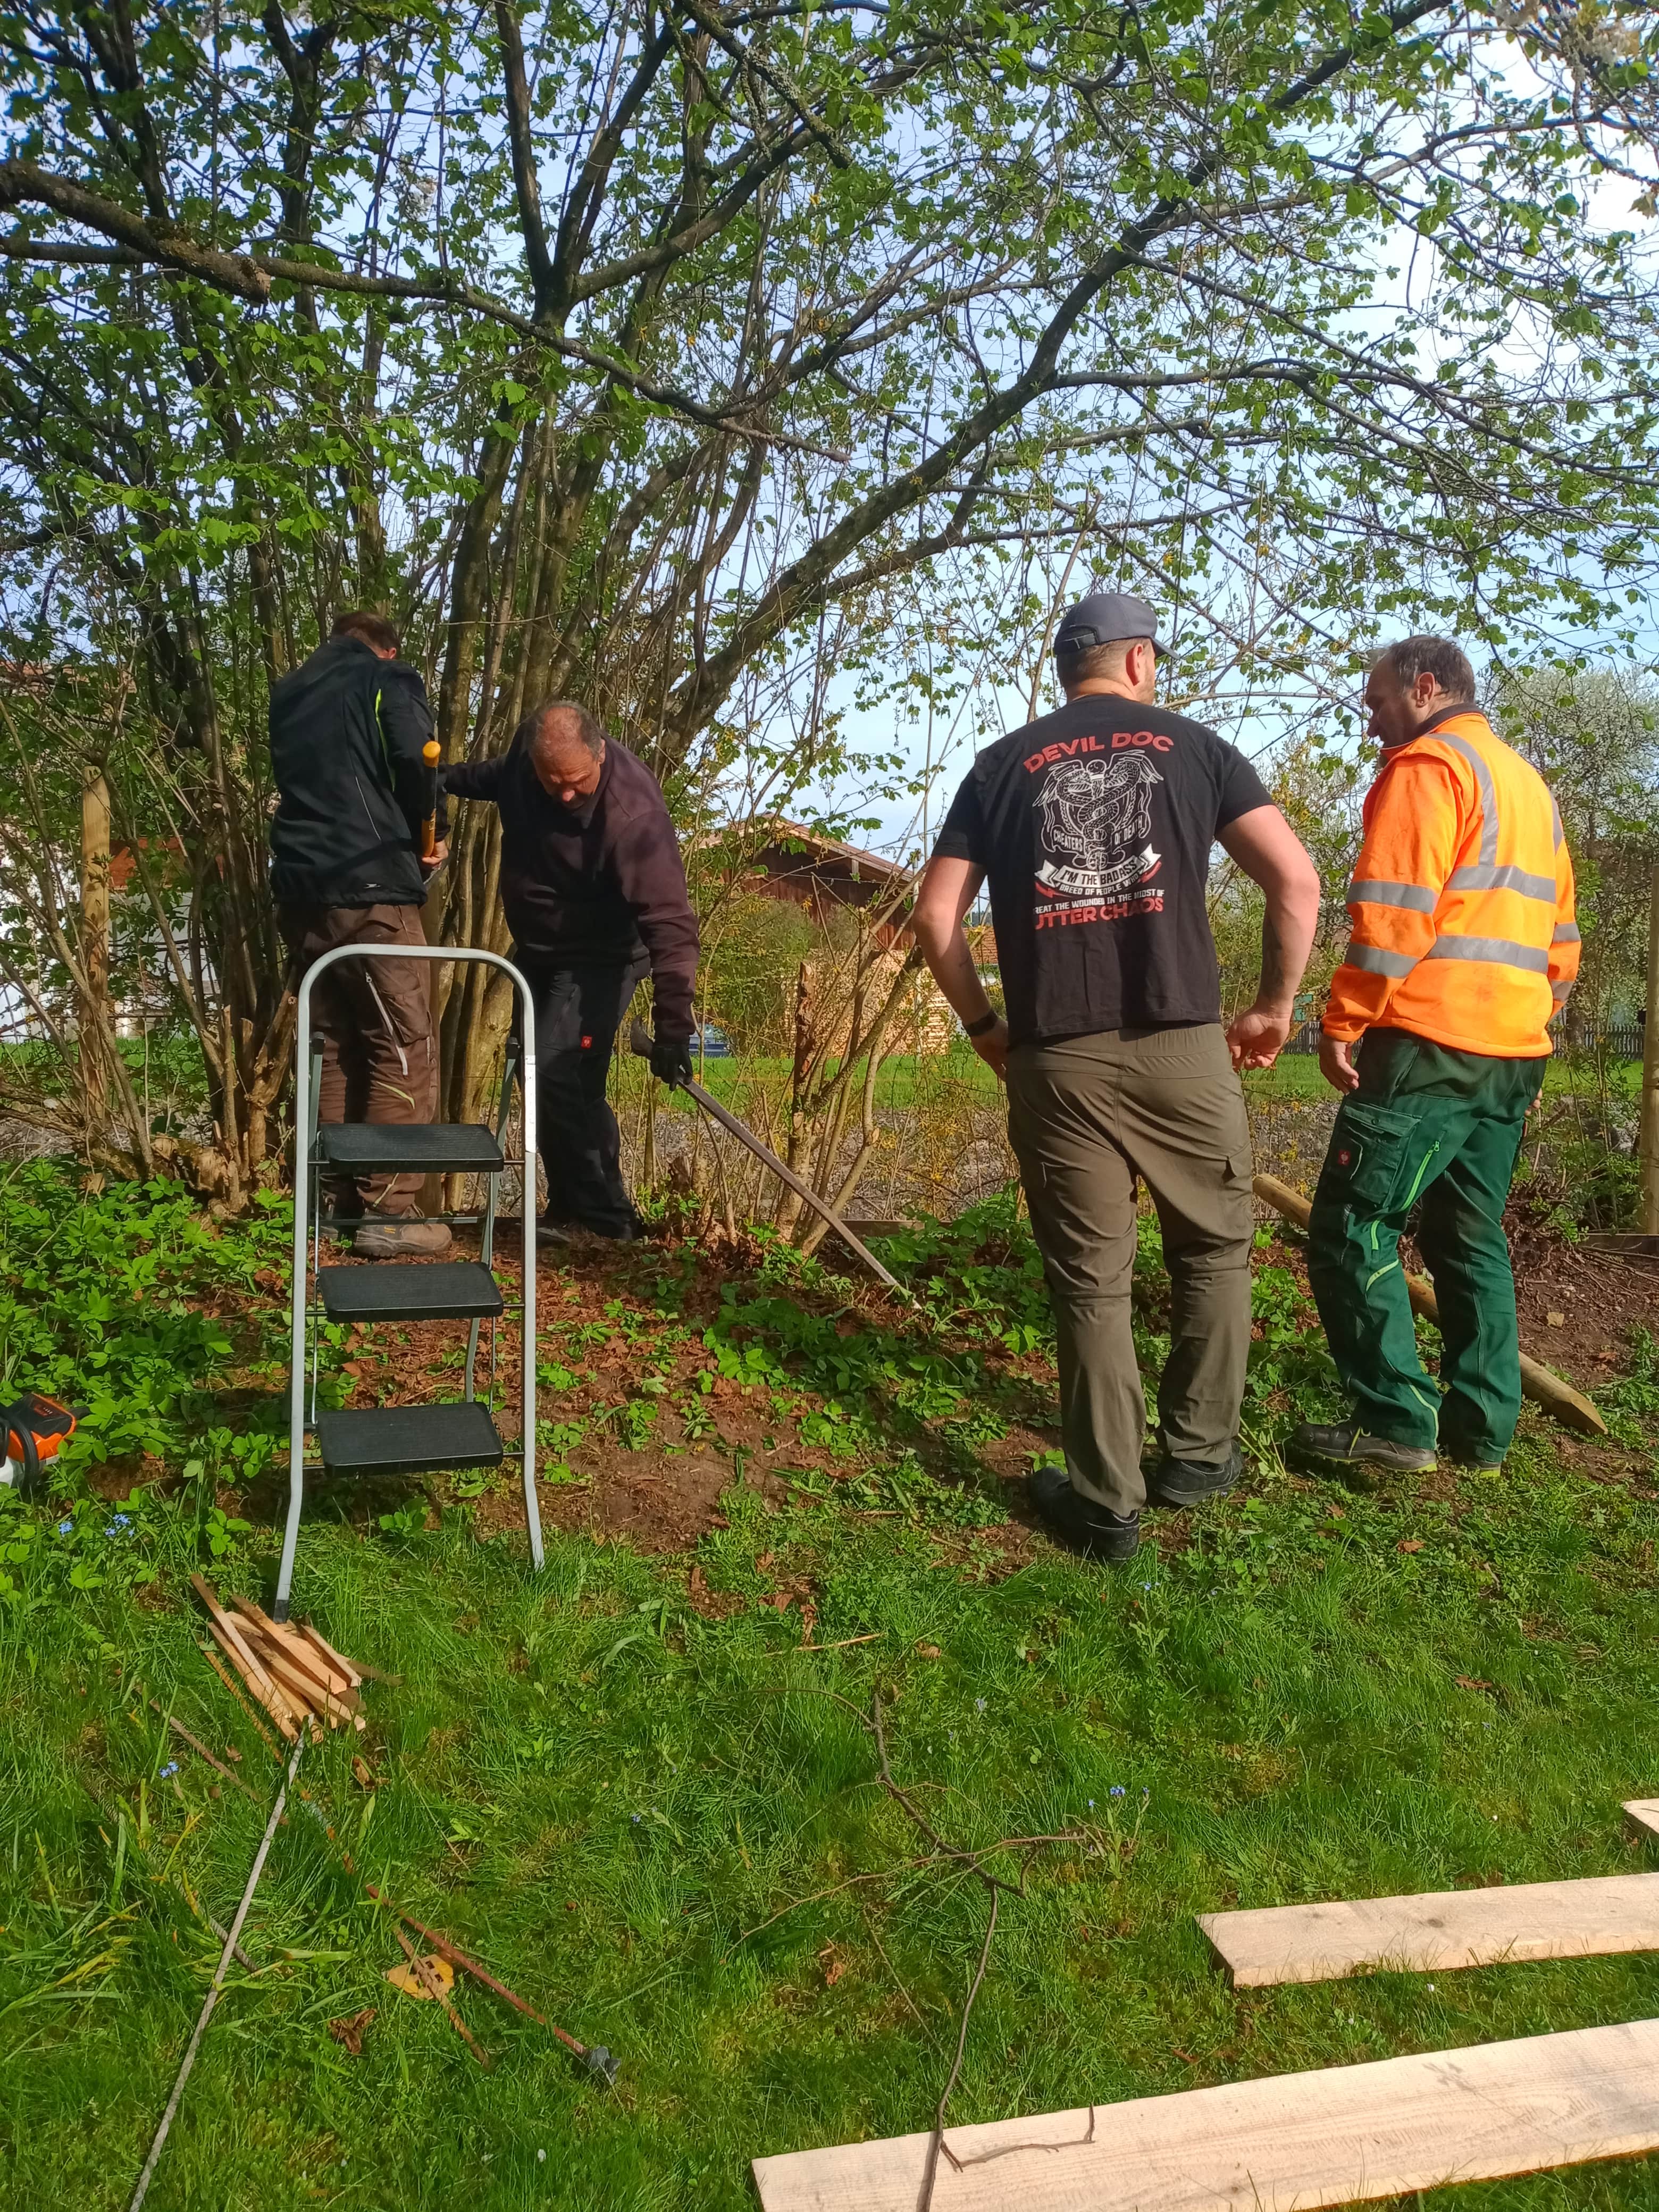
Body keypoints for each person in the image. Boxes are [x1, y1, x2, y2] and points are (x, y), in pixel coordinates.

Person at [912, 592, 1321, 1563]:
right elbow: (1296, 882)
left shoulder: (1000, 767)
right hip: (1185, 1048)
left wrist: (983, 1026)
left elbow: (935, 921)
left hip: (1056, 1055)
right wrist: (1271, 1007)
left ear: (1068, 671)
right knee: (1215, 1255)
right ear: (1139, 663)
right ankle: (1197, 1457)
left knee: (1092, 1286)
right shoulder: (1200, 749)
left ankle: (1107, 1506)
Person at [1289, 636, 1578, 1479]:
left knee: (1350, 1226)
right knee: (1466, 1231)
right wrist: (1526, 1017)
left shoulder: (1428, 768)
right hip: (1513, 1053)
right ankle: (1481, 1431)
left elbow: (1393, 917)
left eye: (1377, 702)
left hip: (1429, 1044)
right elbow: (1562, 945)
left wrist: (1343, 1022)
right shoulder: (1526, 786)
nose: (1371, 721)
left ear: (1425, 689)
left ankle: (1393, 1426)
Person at [442, 701, 699, 1241]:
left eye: (577, 781)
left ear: (601, 753)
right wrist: (442, 780)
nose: (563, 793)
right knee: (537, 1073)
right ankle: (570, 1207)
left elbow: (671, 923)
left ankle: (607, 1219)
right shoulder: (525, 761)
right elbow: (497, 778)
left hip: (601, 958)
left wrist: (676, 1029)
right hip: (540, 948)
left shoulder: (633, 817)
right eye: (550, 779)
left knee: (563, 1072)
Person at [269, 610, 450, 1259]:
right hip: (371, 890)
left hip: (300, 894)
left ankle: (341, 1203)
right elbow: (415, 759)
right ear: (388, 647)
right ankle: (388, 1213)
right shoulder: (385, 678)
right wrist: (433, 830)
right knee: (402, 1043)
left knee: (338, 1043)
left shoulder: (289, 693)